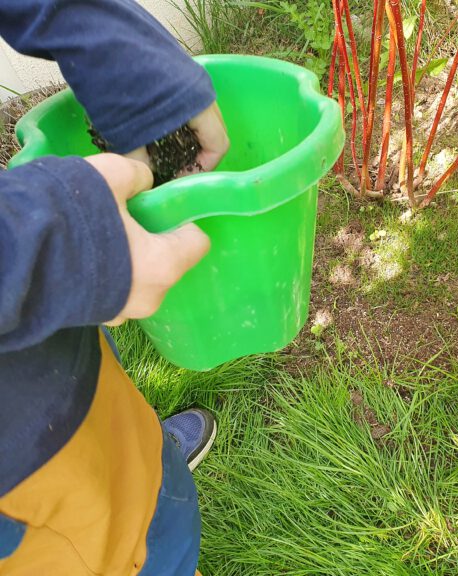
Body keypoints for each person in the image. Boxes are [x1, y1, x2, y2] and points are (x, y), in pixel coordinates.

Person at [0, 1, 229, 574]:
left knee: (118, 425)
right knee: (136, 554)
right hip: (24, 483)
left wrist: (135, 71)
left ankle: (144, 455)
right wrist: (60, 242)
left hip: (47, 357)